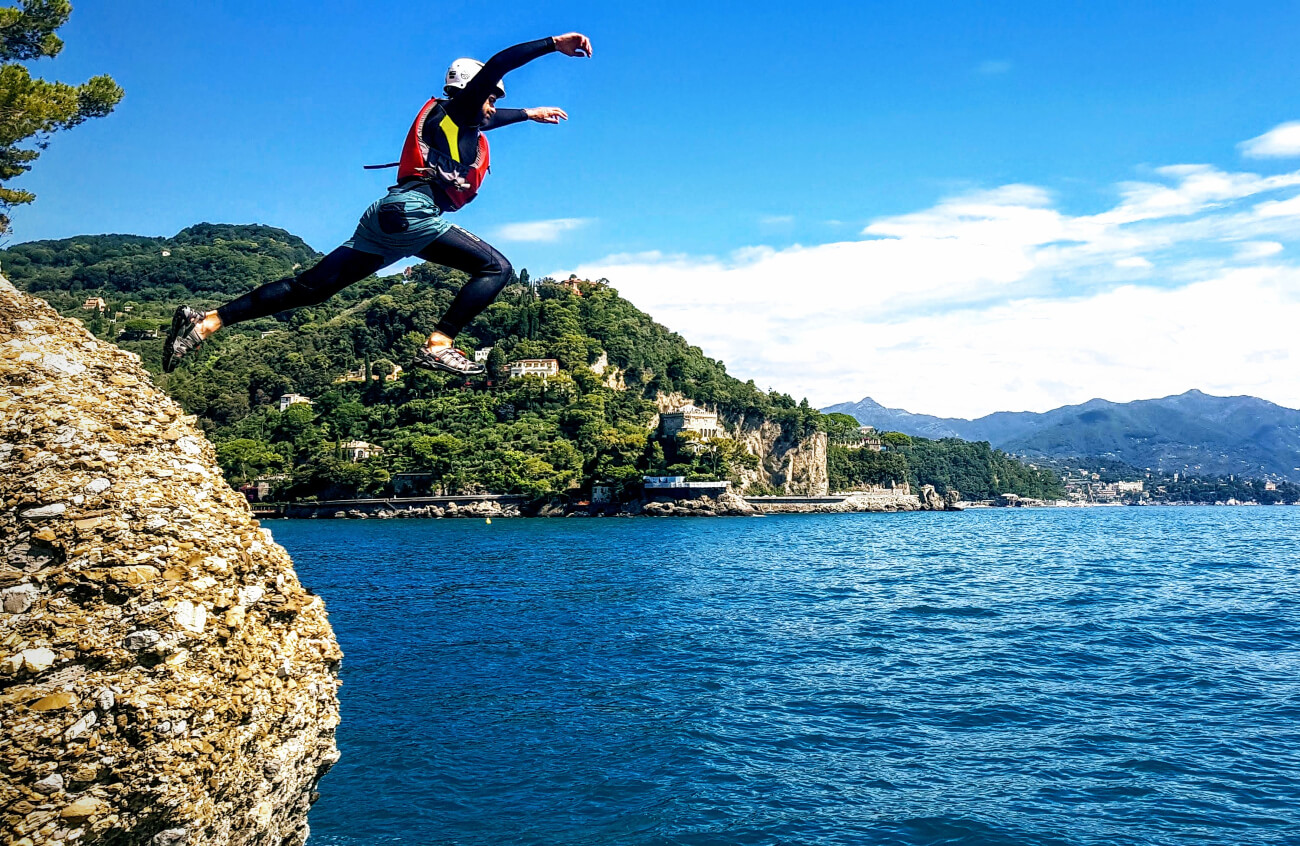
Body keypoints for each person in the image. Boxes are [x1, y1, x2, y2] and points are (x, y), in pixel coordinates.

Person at [163, 32, 594, 374]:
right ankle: (440, 343)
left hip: (389, 218)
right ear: (469, 91)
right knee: (495, 268)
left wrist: (529, 112)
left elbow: (491, 118)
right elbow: (499, 65)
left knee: (310, 290)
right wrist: (554, 44)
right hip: (414, 212)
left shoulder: (458, 117)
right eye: (490, 96)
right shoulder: (461, 108)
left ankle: (205, 322)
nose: (493, 104)